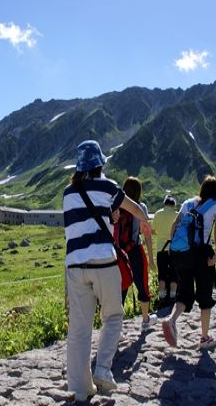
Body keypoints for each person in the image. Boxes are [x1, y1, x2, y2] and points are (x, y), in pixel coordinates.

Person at [63, 140, 150, 402]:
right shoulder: (108, 186)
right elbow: (134, 209)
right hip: (104, 261)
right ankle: (102, 368)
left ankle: (80, 390)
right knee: (112, 315)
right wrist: (145, 222)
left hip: (75, 266)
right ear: (100, 163)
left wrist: (108, 215)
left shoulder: (68, 193)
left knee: (79, 329)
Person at [161, 175, 216, 350]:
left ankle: (171, 320)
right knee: (204, 295)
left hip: (183, 254)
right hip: (202, 254)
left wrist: (174, 249)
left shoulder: (188, 203)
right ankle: (204, 337)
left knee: (185, 292)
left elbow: (175, 224)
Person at [115, 177, 157, 330]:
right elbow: (147, 235)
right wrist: (151, 258)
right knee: (142, 285)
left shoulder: (117, 206)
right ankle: (145, 320)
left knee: (121, 288)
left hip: (120, 253)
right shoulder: (141, 207)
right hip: (136, 250)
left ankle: (116, 327)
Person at [152, 195, 179, 305]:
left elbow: (153, 230)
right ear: (174, 205)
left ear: (164, 203)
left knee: (162, 275)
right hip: (174, 249)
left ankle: (162, 298)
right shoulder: (177, 215)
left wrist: (161, 234)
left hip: (161, 249)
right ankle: (173, 297)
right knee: (174, 274)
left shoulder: (158, 214)